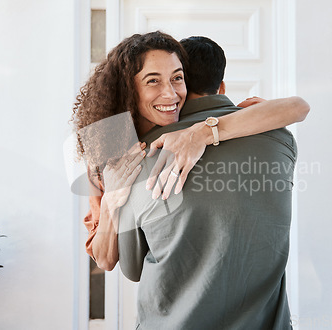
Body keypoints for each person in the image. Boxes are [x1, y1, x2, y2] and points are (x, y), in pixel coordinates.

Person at [71, 31, 309, 273]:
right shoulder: (107, 153)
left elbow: (299, 107)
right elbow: (105, 261)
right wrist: (112, 200)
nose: (171, 94)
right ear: (128, 89)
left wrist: (201, 133)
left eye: (177, 78)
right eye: (153, 80)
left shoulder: (196, 122)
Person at [117, 35, 297, 329]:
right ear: (221, 86)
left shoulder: (138, 156)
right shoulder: (280, 139)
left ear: (180, 87)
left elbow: (131, 267)